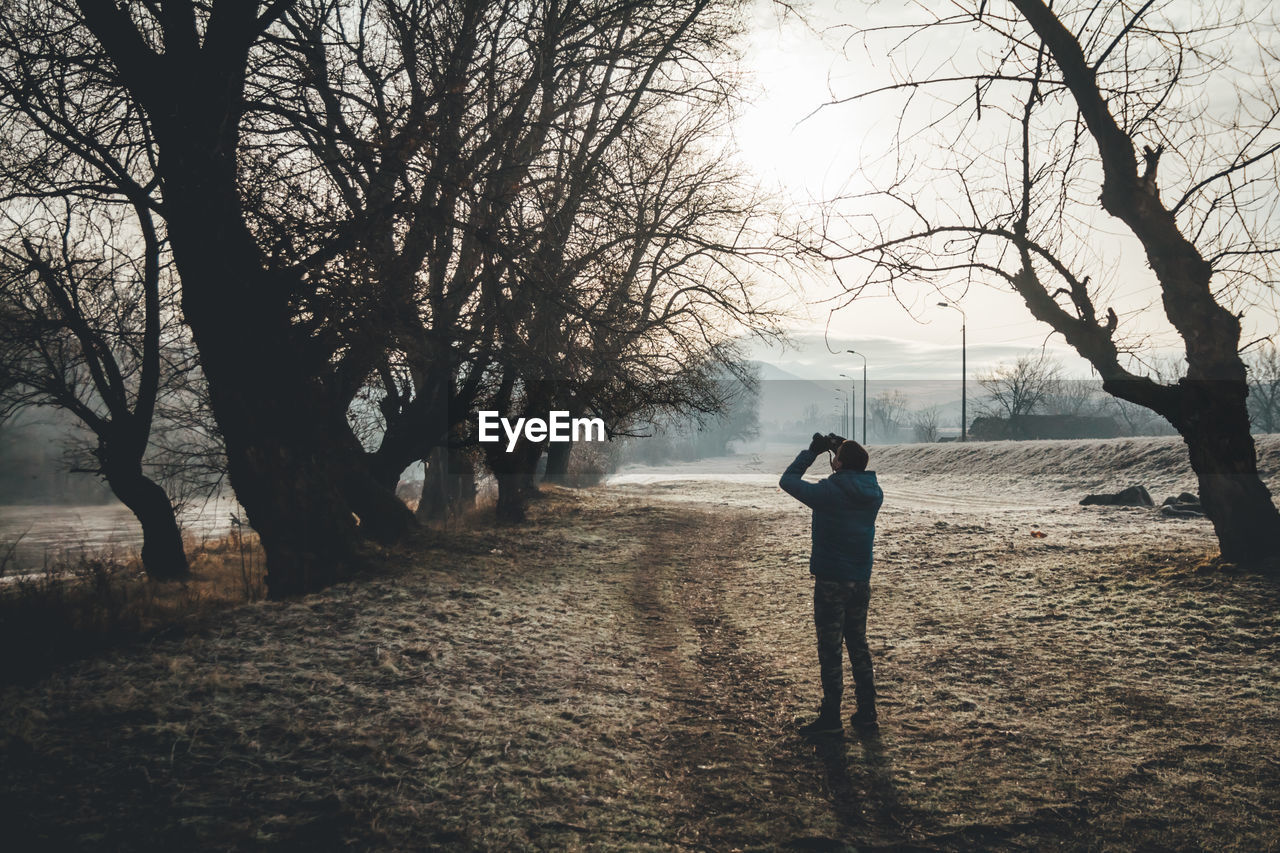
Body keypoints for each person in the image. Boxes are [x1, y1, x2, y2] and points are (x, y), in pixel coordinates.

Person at [780, 432, 884, 735]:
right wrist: (842, 448)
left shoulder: (828, 493)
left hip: (831, 582)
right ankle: (867, 715)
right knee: (858, 645)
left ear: (837, 463)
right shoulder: (873, 492)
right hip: (860, 580)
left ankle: (831, 718)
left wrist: (812, 452)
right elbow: (853, 468)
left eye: (835, 457)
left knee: (830, 650)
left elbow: (788, 481)